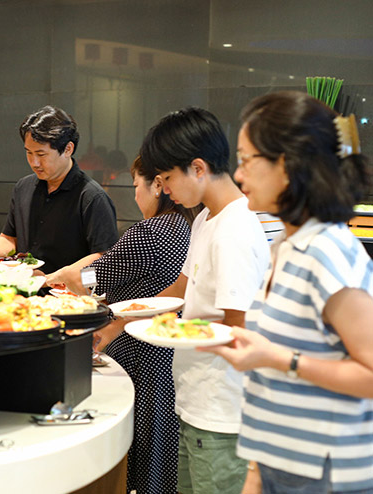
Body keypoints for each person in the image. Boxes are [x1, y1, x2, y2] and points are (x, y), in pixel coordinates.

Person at [201, 91, 373, 493]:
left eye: (246, 160)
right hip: (283, 463)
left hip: (327, 473)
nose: (238, 175)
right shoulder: (286, 244)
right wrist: (256, 472)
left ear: (287, 164)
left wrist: (281, 359)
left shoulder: (327, 251)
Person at [140, 107, 271, 494]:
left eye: (166, 178)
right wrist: (122, 322)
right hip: (197, 401)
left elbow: (238, 328)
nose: (164, 189)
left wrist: (177, 330)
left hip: (223, 411)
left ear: (198, 168)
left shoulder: (234, 228)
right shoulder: (205, 218)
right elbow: (183, 288)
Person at [47, 155, 194, 494]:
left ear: (158, 186)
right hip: (167, 349)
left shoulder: (149, 232)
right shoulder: (186, 225)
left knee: (143, 449)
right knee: (164, 448)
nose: (135, 194)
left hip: (142, 354)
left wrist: (57, 276)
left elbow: (91, 279)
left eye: (136, 186)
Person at [0, 105, 119, 274]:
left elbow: (103, 256)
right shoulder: (23, 187)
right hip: (23, 287)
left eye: (41, 154)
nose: (34, 162)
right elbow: (10, 239)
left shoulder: (92, 197)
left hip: (64, 291)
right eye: (29, 153)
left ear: (68, 149)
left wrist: (51, 278)